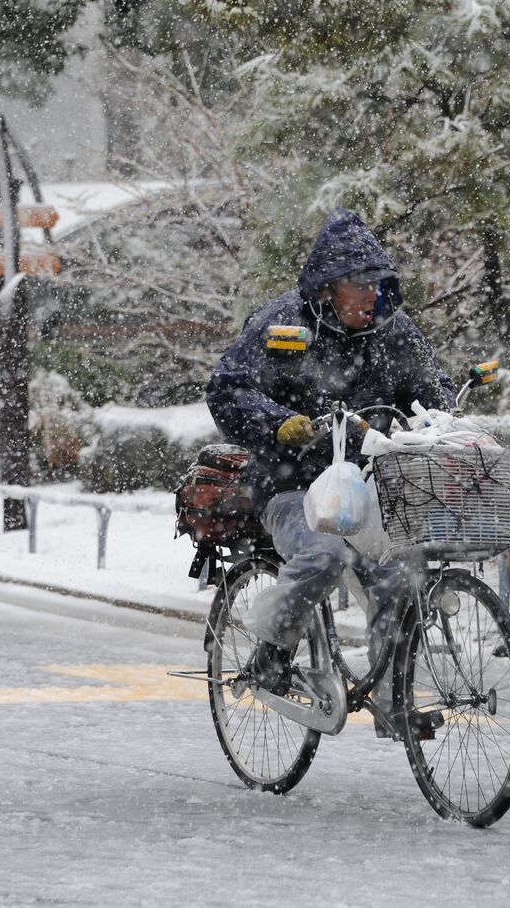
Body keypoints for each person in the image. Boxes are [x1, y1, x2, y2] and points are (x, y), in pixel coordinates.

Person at [206, 208, 454, 732]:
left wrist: (449, 426)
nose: (370, 295)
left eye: (378, 283)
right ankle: (271, 650)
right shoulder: (282, 329)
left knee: (399, 574)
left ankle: (393, 700)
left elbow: (432, 392)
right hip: (290, 484)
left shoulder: (394, 333)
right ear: (326, 288)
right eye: (358, 284)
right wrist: (280, 426)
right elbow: (226, 388)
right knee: (323, 553)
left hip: (368, 484)